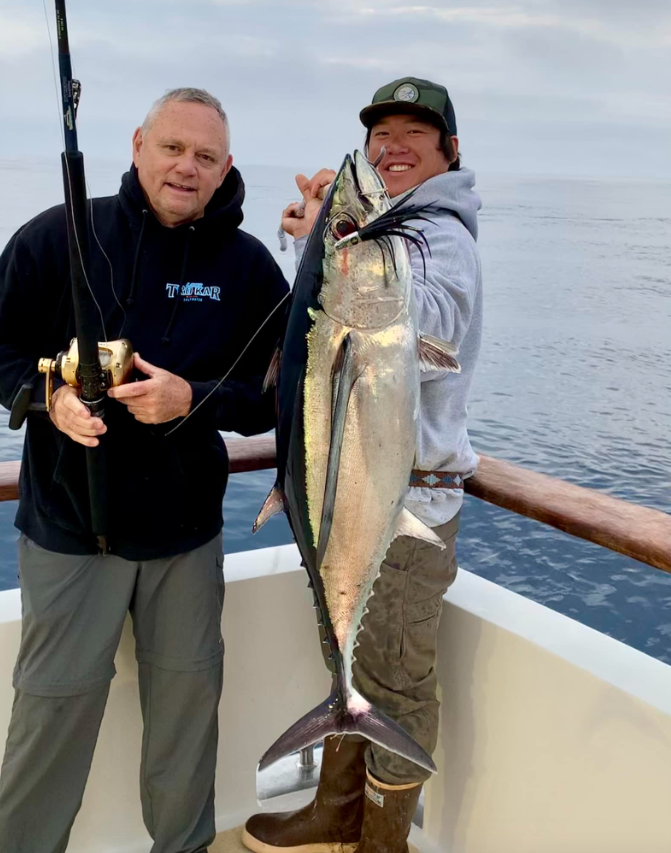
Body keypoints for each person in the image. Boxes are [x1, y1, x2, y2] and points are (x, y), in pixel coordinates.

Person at [0, 87, 289, 853]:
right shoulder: (60, 234)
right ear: (137, 144)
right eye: (172, 148)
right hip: (69, 533)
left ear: (226, 167)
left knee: (186, 723)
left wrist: (192, 397)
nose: (186, 168)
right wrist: (43, 396)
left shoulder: (249, 267)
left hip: (185, 542)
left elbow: (279, 397)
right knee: (50, 719)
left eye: (204, 156)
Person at [243, 77, 482, 853]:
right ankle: (332, 814)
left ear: (449, 151)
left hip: (405, 510)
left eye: (415, 132)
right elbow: (329, 328)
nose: (394, 146)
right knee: (347, 670)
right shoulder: (389, 226)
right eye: (382, 135)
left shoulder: (442, 231)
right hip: (342, 495)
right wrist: (323, 242)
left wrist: (341, 238)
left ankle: (382, 841)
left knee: (397, 687)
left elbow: (430, 331)